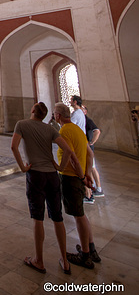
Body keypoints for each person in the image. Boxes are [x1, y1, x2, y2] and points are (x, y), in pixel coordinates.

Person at [11, 102, 74, 274]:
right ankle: (65, 261)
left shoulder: (22, 124)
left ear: (32, 111)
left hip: (36, 175)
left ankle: (39, 260)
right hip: (52, 176)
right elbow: (67, 150)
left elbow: (13, 146)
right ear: (44, 115)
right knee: (57, 217)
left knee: (37, 217)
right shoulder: (50, 129)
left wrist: (23, 168)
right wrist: (60, 167)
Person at [54, 102, 101, 269]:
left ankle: (85, 255)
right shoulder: (77, 130)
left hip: (71, 178)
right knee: (81, 213)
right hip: (79, 177)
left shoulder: (65, 130)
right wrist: (88, 174)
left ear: (58, 116)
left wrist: (82, 177)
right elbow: (89, 154)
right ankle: (91, 247)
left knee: (78, 215)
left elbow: (71, 156)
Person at [82, 105, 104, 199]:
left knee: (90, 169)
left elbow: (97, 131)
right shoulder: (83, 120)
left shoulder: (87, 120)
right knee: (92, 168)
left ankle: (90, 193)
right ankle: (97, 189)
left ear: (85, 111)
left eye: (81, 109)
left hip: (88, 148)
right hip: (88, 148)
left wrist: (91, 142)